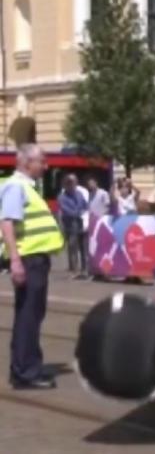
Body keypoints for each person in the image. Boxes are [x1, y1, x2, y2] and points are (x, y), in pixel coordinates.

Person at [1, 144, 64, 389]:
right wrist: (15, 260)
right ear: (27, 163)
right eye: (42, 161)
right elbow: (7, 222)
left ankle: (23, 369)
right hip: (29, 259)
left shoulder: (25, 187)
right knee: (29, 315)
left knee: (29, 314)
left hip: (32, 259)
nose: (46, 166)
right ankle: (26, 372)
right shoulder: (17, 187)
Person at [56, 175, 88, 274]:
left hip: (81, 223)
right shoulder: (62, 197)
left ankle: (85, 267)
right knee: (72, 245)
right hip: (70, 224)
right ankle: (74, 267)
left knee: (83, 246)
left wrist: (80, 211)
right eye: (71, 185)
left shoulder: (78, 194)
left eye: (75, 184)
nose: (74, 187)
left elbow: (85, 205)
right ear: (67, 185)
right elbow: (67, 211)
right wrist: (77, 212)